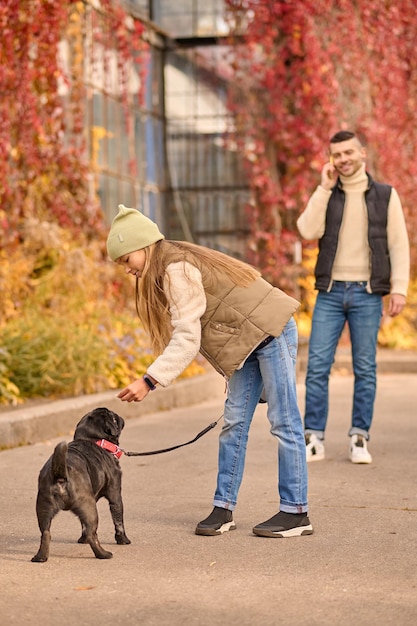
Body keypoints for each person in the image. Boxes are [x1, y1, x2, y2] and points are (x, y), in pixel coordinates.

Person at [106, 204, 313, 538]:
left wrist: (149, 380)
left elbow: (188, 335)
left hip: (271, 332)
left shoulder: (177, 268)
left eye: (125, 260)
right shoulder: (168, 265)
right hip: (247, 345)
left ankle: (296, 512)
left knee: (284, 420)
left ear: (141, 247)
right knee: (233, 424)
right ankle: (223, 508)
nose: (125, 269)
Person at [297, 130, 409, 464]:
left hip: (367, 293)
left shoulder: (386, 195)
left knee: (365, 368)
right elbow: (306, 230)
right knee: (317, 367)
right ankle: (313, 437)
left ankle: (359, 437)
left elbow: (398, 244)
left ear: (361, 152)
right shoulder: (328, 194)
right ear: (331, 160)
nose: (343, 159)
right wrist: (323, 187)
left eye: (348, 152)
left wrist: (399, 288)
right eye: (337, 155)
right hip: (330, 292)